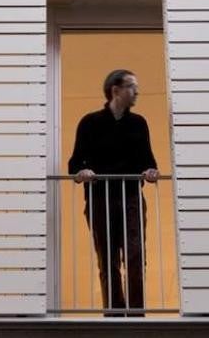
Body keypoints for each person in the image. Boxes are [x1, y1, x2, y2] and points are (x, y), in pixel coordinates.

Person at [67, 68, 159, 316]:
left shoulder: (138, 124)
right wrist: (83, 173)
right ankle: (115, 314)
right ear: (115, 90)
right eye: (131, 86)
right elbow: (75, 163)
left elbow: (148, 161)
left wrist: (151, 171)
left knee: (135, 255)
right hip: (100, 198)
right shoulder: (90, 123)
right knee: (107, 259)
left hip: (130, 198)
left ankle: (136, 313)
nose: (136, 91)